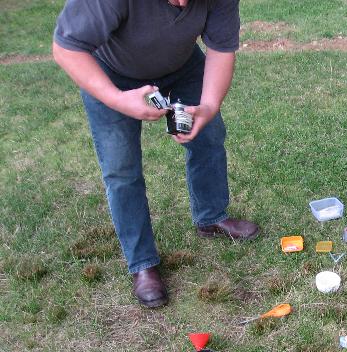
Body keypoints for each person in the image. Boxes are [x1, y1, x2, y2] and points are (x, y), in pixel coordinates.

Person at [53, 0, 259, 308]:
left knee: (209, 135)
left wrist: (209, 106)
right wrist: (118, 100)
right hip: (112, 72)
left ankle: (211, 217)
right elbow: (66, 48)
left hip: (183, 66)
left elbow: (220, 50)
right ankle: (142, 263)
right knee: (121, 169)